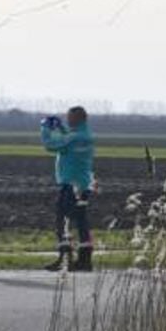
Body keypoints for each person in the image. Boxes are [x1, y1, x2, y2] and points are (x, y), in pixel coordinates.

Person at [40, 106, 96, 272]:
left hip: (70, 185)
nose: (68, 120)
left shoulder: (74, 138)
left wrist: (45, 128)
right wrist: (62, 129)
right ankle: (85, 260)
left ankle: (65, 258)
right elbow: (69, 141)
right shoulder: (86, 136)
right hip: (84, 184)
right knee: (81, 221)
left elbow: (50, 145)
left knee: (62, 220)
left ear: (78, 119)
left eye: (70, 118)